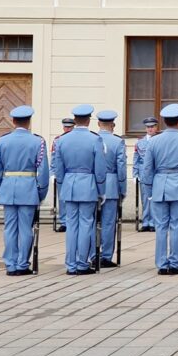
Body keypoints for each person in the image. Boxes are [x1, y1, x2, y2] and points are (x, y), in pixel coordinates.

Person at [0, 105, 50, 276]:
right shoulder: (38, 141)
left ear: (13, 121)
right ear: (29, 122)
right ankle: (22, 263)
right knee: (25, 229)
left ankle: (10, 264)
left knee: (9, 228)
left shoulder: (3, 141)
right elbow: (43, 170)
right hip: (29, 188)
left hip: (8, 187)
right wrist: (41, 192)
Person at [142, 104, 178, 275]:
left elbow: (147, 169)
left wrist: (149, 190)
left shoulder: (153, 141)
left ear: (164, 121)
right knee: (177, 225)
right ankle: (175, 262)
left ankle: (161, 263)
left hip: (159, 184)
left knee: (161, 226)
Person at [51, 104, 107, 276]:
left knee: (71, 225)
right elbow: (99, 169)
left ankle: (70, 263)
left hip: (69, 184)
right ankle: (82, 263)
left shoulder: (62, 140)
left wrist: (62, 185)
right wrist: (101, 190)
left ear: (74, 121)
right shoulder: (95, 139)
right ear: (89, 120)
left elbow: (58, 169)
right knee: (85, 225)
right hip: (88, 184)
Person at [94, 110, 127, 268]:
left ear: (99, 124)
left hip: (93, 185)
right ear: (113, 125)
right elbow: (121, 168)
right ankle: (106, 256)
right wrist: (122, 188)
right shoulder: (117, 142)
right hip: (111, 185)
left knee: (91, 221)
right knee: (108, 223)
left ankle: (92, 254)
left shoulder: (92, 139)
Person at [133, 117, 157, 232]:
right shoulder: (140, 142)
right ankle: (146, 222)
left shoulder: (159, 140)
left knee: (155, 199)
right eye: (148, 127)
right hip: (143, 173)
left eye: (152, 127)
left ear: (156, 127)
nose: (150, 129)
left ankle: (154, 222)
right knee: (145, 198)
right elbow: (136, 158)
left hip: (156, 173)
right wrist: (135, 173)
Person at [50, 117, 74, 232]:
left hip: (74, 171)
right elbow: (54, 158)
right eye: (66, 127)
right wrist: (52, 172)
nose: (68, 129)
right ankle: (64, 222)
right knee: (62, 198)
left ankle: (73, 221)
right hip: (61, 173)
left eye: (70, 127)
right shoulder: (57, 140)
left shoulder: (77, 139)